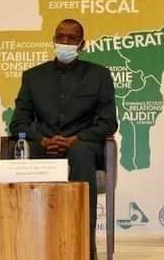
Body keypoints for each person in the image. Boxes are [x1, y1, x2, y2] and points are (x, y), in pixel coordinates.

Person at [10, 19, 117, 260]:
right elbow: (18, 123)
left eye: (72, 38)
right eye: (61, 37)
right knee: (26, 153)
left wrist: (75, 140)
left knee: (81, 153)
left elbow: (108, 122)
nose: (65, 42)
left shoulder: (99, 75)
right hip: (44, 145)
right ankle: (26, 247)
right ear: (53, 40)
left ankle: (85, 247)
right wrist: (43, 140)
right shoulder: (33, 77)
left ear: (82, 44)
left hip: (83, 146)